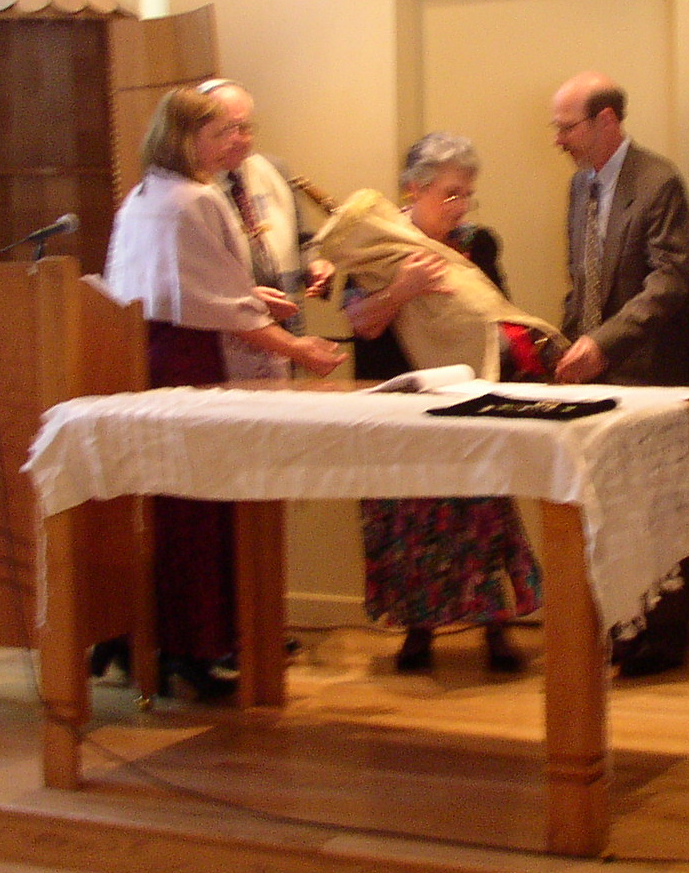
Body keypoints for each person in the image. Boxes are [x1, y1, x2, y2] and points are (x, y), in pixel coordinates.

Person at [104, 87, 341, 697]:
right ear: (184, 139)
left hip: (152, 358)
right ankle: (199, 646)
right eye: (222, 133)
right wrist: (300, 349)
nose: (238, 142)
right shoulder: (196, 199)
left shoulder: (142, 196)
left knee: (176, 507)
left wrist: (246, 296)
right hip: (194, 362)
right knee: (205, 510)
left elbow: (178, 286)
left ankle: (171, 639)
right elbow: (211, 304)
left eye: (241, 129)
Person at [340, 133, 543, 675]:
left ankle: (495, 626)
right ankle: (417, 629)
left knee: (482, 510)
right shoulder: (377, 241)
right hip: (397, 399)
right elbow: (362, 322)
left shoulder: (478, 244)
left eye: (466, 194)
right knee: (407, 516)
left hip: (465, 397)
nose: (460, 206)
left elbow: (497, 313)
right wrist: (402, 289)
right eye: (450, 194)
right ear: (414, 188)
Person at [550, 71, 689, 677]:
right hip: (600, 369)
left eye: (567, 127)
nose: (559, 139)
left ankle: (665, 636)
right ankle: (625, 624)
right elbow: (583, 280)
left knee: (660, 503)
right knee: (612, 504)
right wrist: (565, 343)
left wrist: (604, 342)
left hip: (654, 366)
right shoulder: (578, 186)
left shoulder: (658, 180)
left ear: (607, 121)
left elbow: (669, 281)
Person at [197, 78, 332, 331]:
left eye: (244, 128)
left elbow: (303, 241)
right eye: (226, 129)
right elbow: (193, 278)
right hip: (229, 326)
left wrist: (314, 265)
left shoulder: (274, 170)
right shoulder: (192, 188)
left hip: (285, 319)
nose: (237, 139)